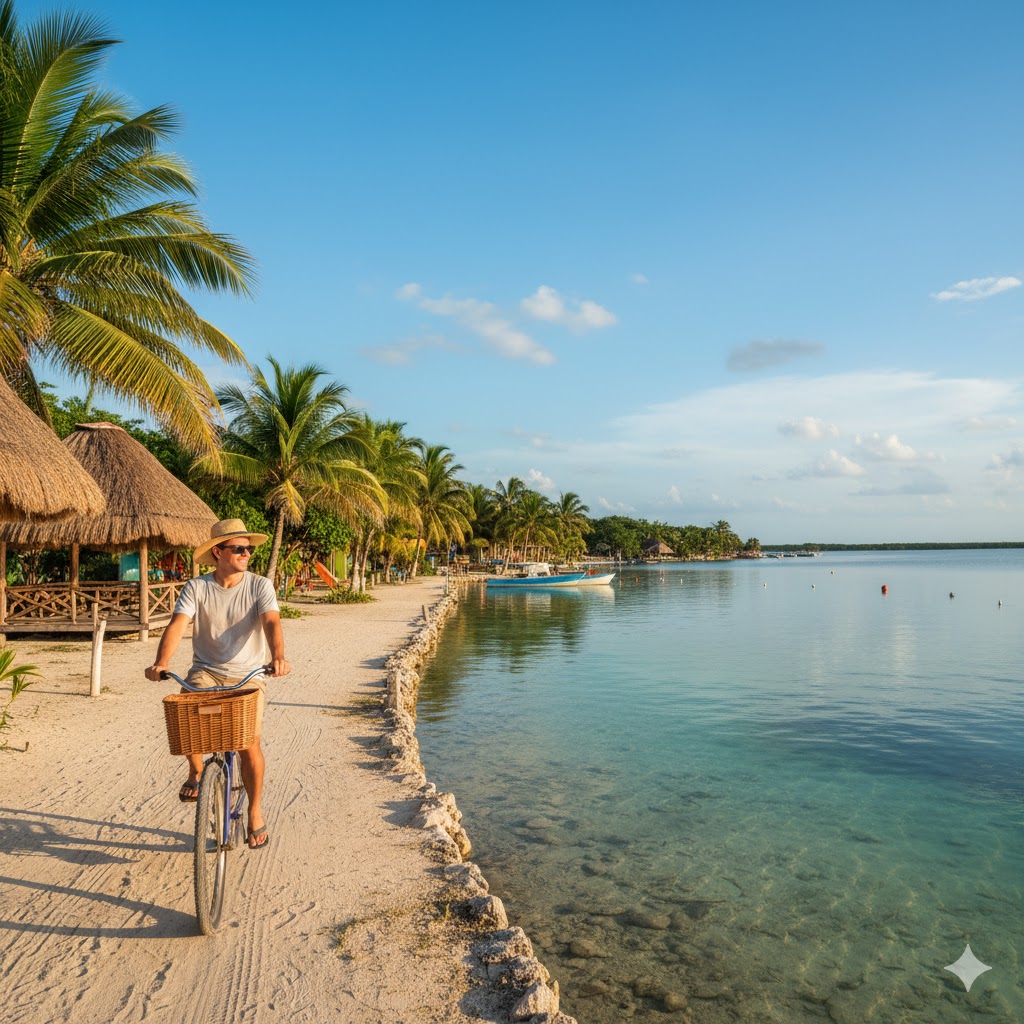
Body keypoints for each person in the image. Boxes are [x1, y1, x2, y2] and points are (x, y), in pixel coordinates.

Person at [145, 519, 290, 849]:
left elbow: (272, 622)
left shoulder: (259, 586)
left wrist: (278, 656)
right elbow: (177, 625)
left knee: (248, 742)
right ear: (218, 552)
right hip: (206, 670)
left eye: (248, 549)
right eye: (239, 548)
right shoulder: (197, 588)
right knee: (186, 713)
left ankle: (254, 810)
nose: (246, 554)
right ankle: (197, 772)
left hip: (249, 674)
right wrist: (162, 663)